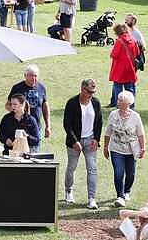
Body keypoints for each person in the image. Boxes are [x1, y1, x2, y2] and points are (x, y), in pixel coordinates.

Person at [63, 78, 103, 210]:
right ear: (82, 89)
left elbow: (99, 122)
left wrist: (96, 139)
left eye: (93, 92)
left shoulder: (95, 103)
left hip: (90, 140)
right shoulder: (72, 103)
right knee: (72, 167)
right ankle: (68, 190)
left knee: (92, 168)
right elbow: (67, 125)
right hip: (75, 141)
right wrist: (75, 141)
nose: (91, 95)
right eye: (89, 92)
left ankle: (92, 198)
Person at [103, 90, 146, 208]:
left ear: (128, 103)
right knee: (118, 172)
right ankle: (120, 196)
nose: (118, 102)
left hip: (131, 150)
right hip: (116, 148)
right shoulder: (113, 115)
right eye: (118, 100)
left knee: (131, 174)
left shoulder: (135, 117)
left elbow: (141, 134)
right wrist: (106, 147)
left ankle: (127, 191)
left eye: (121, 101)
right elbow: (108, 132)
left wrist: (143, 148)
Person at [7, 64, 51, 147]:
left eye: (35, 76)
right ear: (25, 76)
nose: (34, 78)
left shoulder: (41, 88)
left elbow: (45, 107)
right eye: (31, 76)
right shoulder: (17, 88)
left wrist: (48, 126)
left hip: (35, 127)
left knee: (34, 153)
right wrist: (17, 113)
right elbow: (8, 105)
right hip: (19, 127)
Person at [109, 23, 140, 108]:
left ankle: (119, 107)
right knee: (130, 89)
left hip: (119, 69)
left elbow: (114, 55)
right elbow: (137, 52)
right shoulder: (133, 40)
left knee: (118, 89)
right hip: (130, 69)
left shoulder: (119, 41)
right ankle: (131, 107)